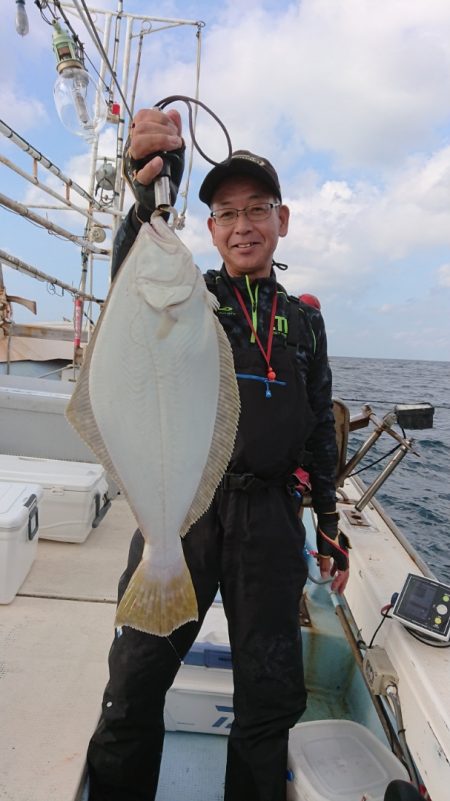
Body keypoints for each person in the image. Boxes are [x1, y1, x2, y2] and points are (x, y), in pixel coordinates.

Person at [87, 107, 350, 801]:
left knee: (267, 703)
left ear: (281, 220)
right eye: (226, 213)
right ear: (208, 230)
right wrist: (145, 189)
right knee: (134, 684)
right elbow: (131, 282)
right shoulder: (191, 298)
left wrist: (328, 521)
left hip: (269, 517)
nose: (241, 225)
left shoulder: (307, 322)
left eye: (255, 209)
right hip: (189, 506)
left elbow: (321, 422)